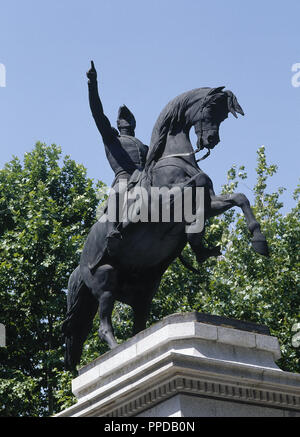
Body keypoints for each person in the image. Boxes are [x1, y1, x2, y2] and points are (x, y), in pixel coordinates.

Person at [86, 61, 148, 254]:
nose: (126, 121)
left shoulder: (144, 146)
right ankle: (113, 230)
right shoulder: (111, 138)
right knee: (120, 187)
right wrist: (92, 84)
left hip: (145, 180)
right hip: (124, 178)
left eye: (129, 119)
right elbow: (97, 113)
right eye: (123, 119)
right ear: (118, 123)